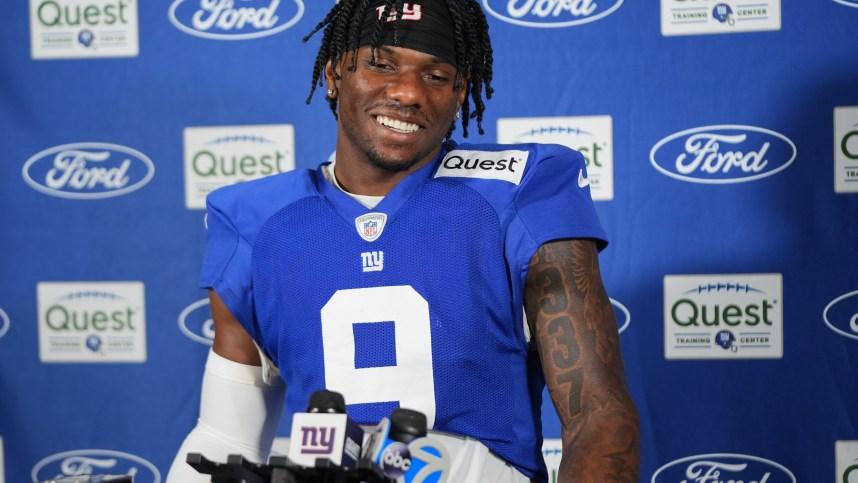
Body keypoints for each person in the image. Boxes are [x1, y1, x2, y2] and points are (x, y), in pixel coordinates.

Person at [167, 0, 640, 481]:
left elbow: (598, 419)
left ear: (461, 94)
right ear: (334, 74)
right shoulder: (257, 222)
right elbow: (226, 436)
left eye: (436, 76)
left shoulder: (519, 190)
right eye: (380, 63)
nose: (408, 92)